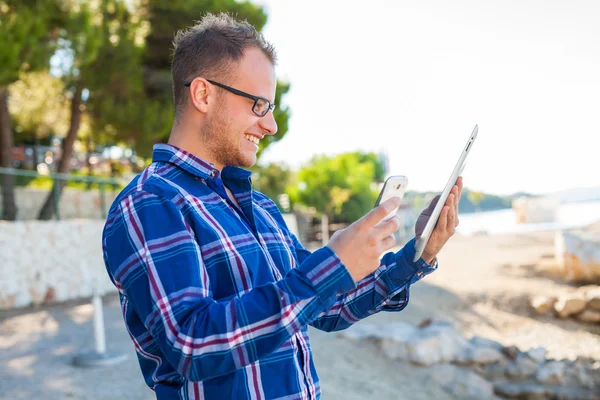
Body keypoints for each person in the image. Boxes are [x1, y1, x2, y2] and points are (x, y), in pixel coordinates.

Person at [102, 12, 463, 400]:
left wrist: (418, 253)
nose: (272, 125)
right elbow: (193, 344)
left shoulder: (261, 208)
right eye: (259, 105)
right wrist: (330, 267)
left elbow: (328, 306)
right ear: (203, 95)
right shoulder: (150, 202)